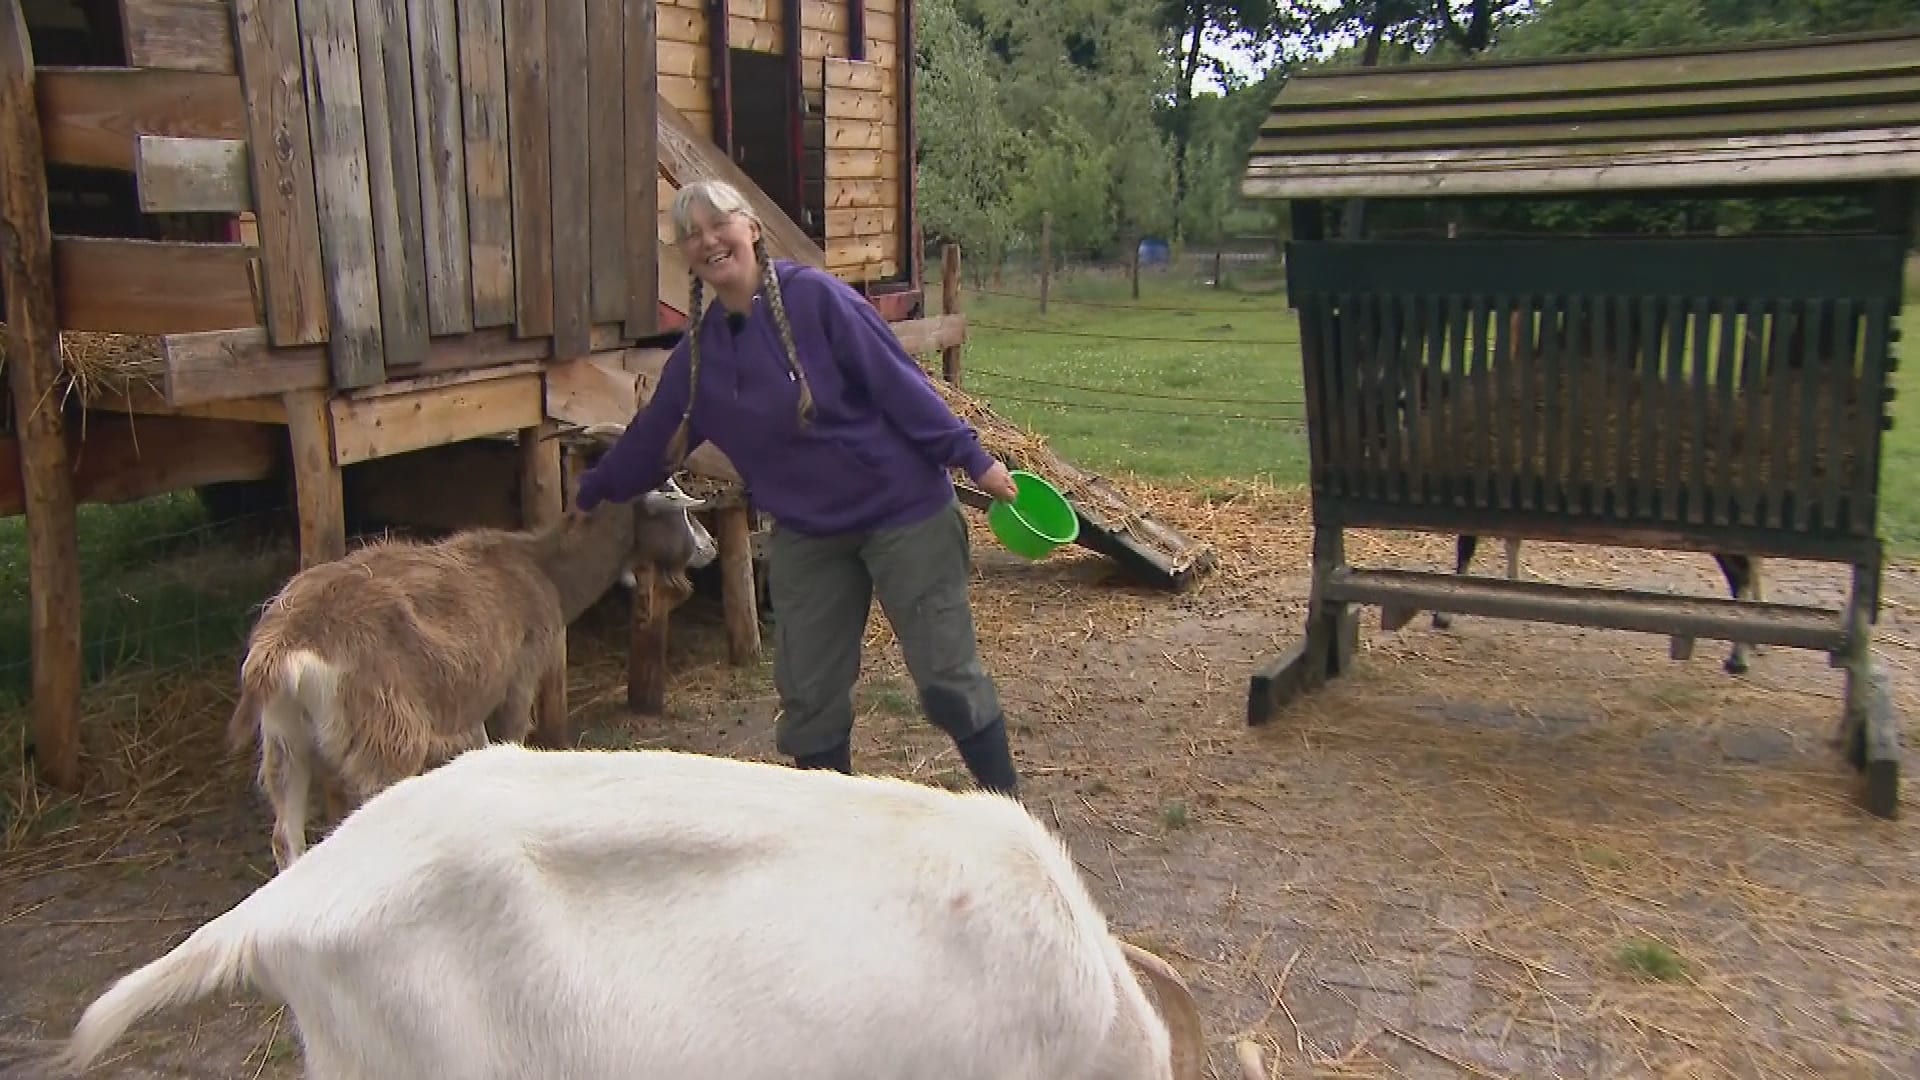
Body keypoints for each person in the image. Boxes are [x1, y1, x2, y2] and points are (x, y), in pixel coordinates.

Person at [572, 179, 1025, 797]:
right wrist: (593, 492)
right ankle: (829, 838)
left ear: (751, 228)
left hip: (901, 511)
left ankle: (1008, 814)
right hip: (810, 532)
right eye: (691, 234)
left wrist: (970, 455)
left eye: (718, 224)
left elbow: (896, 381)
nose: (708, 240)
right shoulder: (700, 359)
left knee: (947, 680)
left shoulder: (816, 300)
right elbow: (650, 442)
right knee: (809, 701)